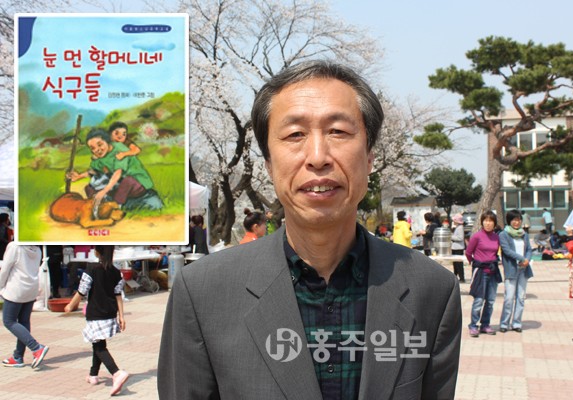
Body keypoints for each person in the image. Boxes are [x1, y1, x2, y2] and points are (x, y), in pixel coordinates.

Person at [158, 60, 461, 399]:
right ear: (269, 164)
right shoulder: (203, 292)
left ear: (369, 158)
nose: (318, 157)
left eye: (338, 132)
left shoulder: (432, 289)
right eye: (295, 135)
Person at [64, 245, 129, 395]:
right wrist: (121, 316)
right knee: (98, 342)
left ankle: (116, 372)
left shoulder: (91, 269)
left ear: (97, 252)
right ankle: (93, 374)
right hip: (110, 312)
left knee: (99, 346)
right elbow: (118, 294)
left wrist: (70, 305)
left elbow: (82, 290)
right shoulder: (115, 272)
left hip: (96, 312)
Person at [67, 128, 161, 210]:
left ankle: (115, 207)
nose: (97, 150)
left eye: (100, 144)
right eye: (93, 148)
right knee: (89, 188)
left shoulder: (119, 149)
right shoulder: (99, 156)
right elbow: (94, 171)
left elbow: (117, 173)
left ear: (107, 141)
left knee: (127, 181)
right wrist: (79, 176)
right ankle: (101, 206)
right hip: (119, 185)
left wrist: (104, 191)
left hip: (137, 184)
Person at [0, 242, 49, 368]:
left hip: (16, 289)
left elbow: (5, 269)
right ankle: (18, 356)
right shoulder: (37, 249)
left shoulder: (15, 247)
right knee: (24, 322)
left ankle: (36, 347)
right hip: (31, 289)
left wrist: (0, 286)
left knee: (9, 321)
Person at [466, 210, 501, 337]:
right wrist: (475, 264)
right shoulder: (477, 236)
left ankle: (485, 325)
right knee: (479, 300)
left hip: (493, 271)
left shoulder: (496, 237)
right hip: (480, 271)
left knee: (490, 301)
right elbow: (468, 253)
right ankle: (473, 325)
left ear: (494, 223)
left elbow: (496, 252)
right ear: (482, 222)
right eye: (486, 220)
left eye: (491, 221)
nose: (488, 223)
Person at [498, 209, 533, 333]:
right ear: (509, 221)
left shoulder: (524, 234)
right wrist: (522, 258)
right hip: (511, 269)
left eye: (518, 220)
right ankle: (504, 323)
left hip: (523, 269)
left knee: (521, 298)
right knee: (509, 298)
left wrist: (527, 259)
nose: (517, 222)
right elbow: (507, 250)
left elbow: (529, 249)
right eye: (514, 220)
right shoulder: (503, 234)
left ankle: (517, 323)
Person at [451, 213, 466, 283]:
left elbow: (460, 238)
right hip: (455, 248)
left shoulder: (460, 228)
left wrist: (451, 237)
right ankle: (456, 276)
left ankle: (461, 277)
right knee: (455, 264)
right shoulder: (457, 227)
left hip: (458, 248)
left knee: (459, 264)